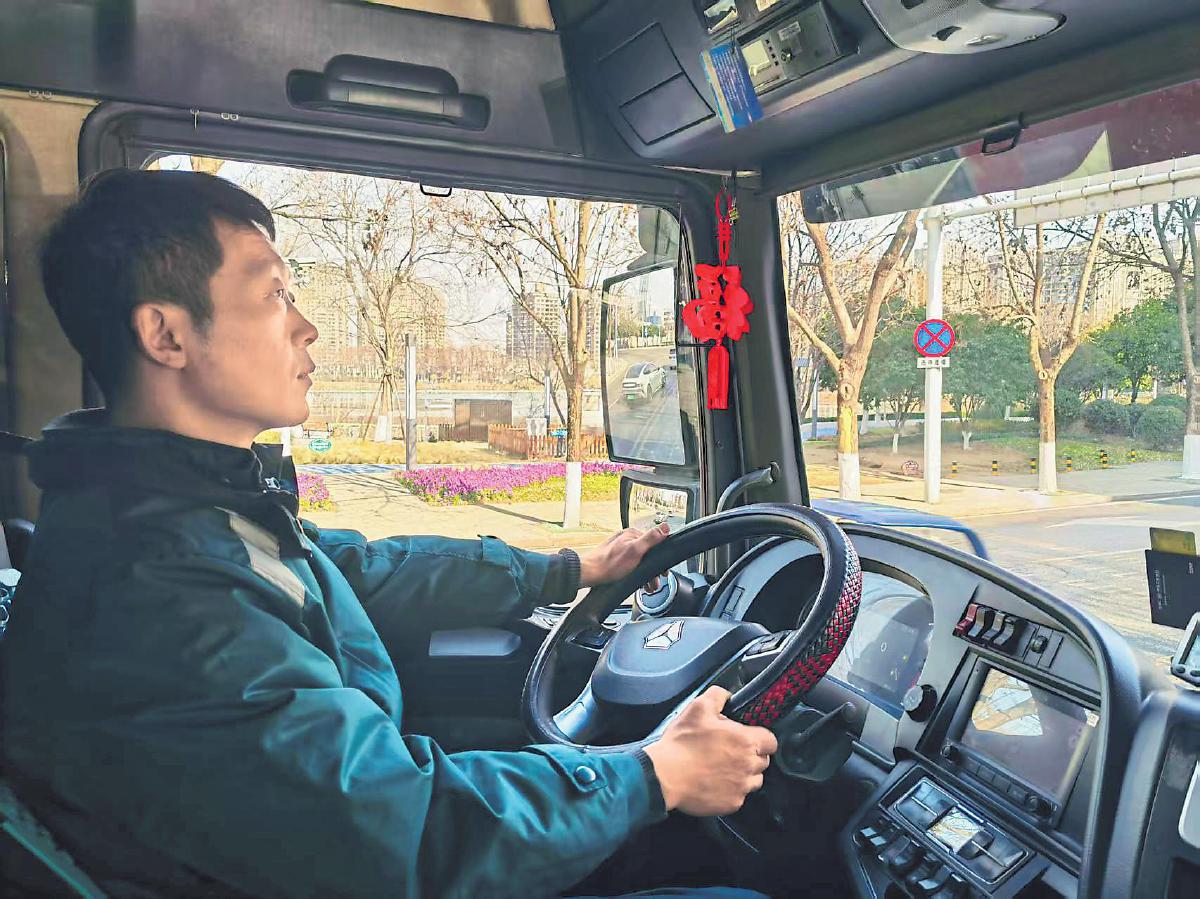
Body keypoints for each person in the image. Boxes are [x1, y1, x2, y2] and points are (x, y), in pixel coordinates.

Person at [0, 169, 777, 898]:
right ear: (165, 334)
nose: (306, 327)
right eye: (274, 295)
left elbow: (359, 569)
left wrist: (566, 569)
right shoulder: (160, 587)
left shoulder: (181, 512)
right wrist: (653, 776)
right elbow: (401, 829)